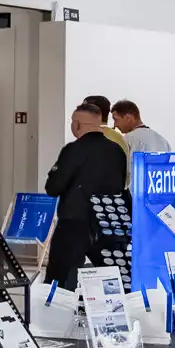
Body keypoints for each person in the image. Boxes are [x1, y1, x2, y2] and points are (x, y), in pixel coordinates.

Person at [43, 103, 128, 287]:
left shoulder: (73, 150)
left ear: (77, 124)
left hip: (74, 221)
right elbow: (120, 184)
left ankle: (59, 303)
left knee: (61, 276)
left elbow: (53, 187)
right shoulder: (117, 151)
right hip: (108, 221)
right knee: (109, 279)